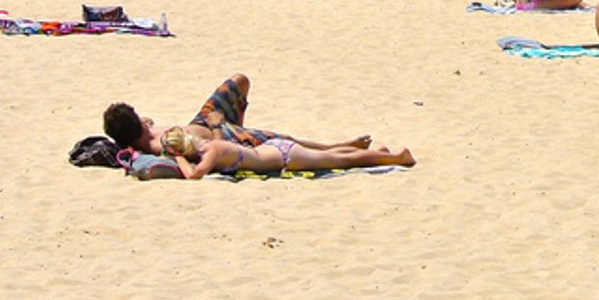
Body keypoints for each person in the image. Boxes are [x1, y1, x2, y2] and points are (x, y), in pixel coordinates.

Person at [103, 74, 375, 159]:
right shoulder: (158, 146)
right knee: (287, 141)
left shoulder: (147, 132)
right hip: (222, 134)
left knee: (239, 81)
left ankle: (239, 120)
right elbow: (213, 151)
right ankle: (334, 146)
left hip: (202, 121)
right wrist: (220, 127)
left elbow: (146, 125)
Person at [158, 123, 413, 177]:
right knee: (337, 157)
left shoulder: (209, 152)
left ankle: (396, 157)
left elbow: (194, 175)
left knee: (339, 160)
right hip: (273, 151)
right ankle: (380, 152)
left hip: (284, 157)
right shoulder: (210, 145)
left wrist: (178, 159)